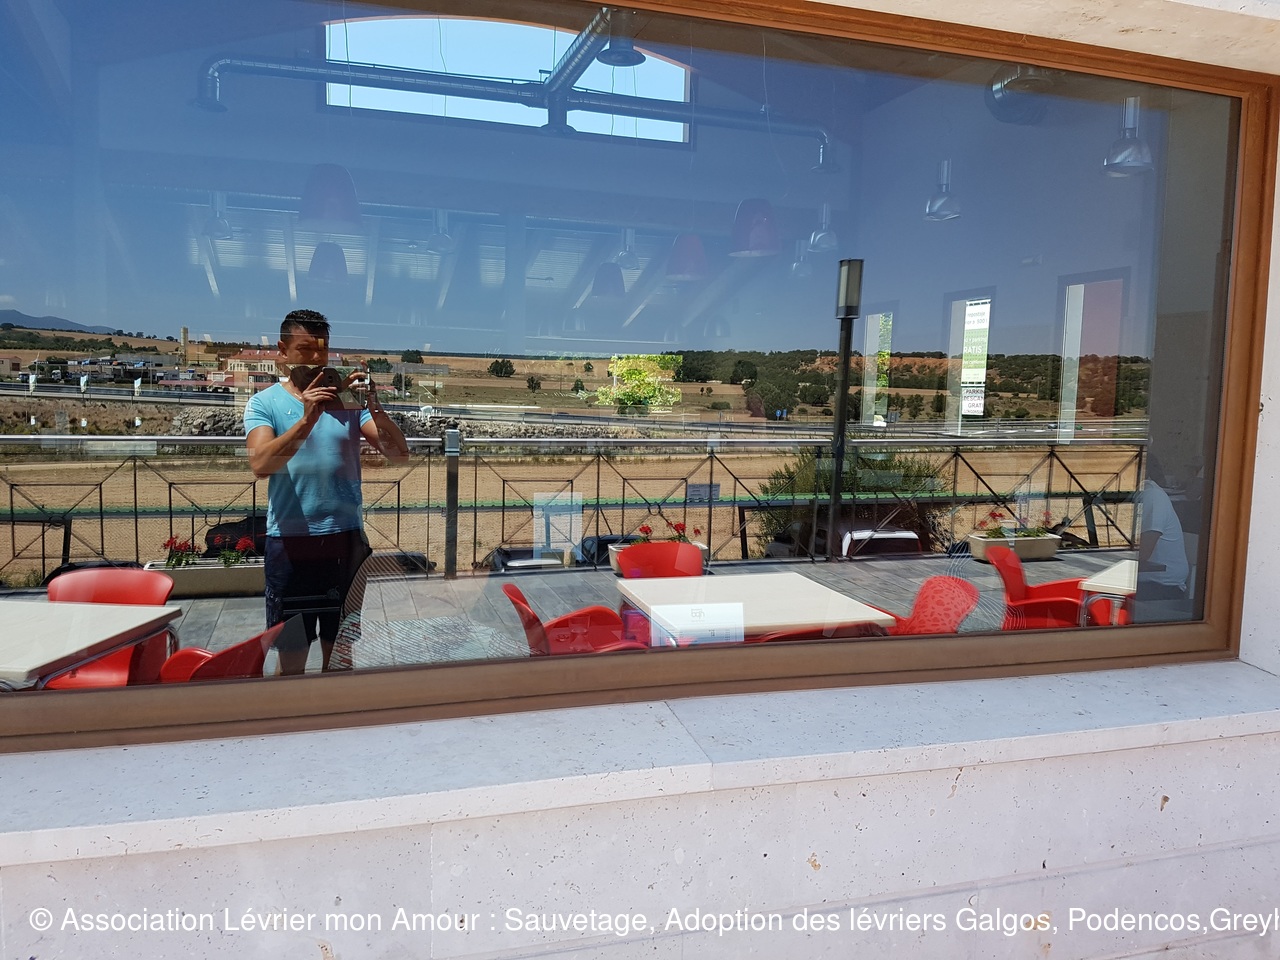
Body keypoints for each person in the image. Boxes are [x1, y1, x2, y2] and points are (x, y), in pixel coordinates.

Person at [244, 309, 410, 673]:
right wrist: (307, 419)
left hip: (345, 541)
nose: (317, 358)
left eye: (323, 349)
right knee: (292, 658)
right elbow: (261, 465)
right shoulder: (264, 403)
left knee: (341, 655)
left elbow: (398, 454)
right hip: (290, 543)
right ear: (283, 352)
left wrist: (374, 407)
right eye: (306, 349)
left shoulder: (347, 404)